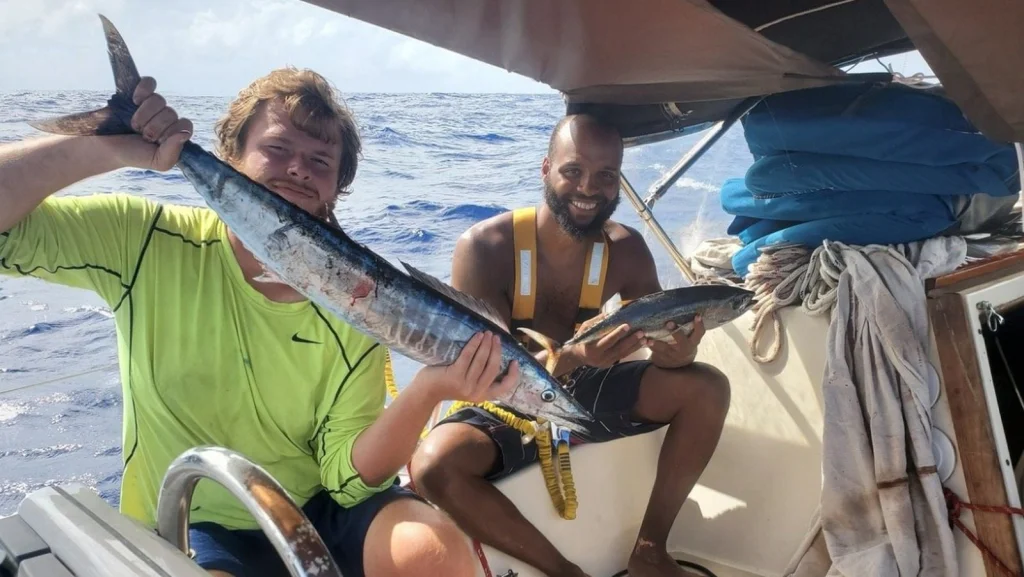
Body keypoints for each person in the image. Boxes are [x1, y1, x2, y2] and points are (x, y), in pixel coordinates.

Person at [0, 69, 520, 577]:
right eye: (276, 148)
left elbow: (347, 481)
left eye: (320, 160)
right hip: (194, 516)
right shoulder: (145, 240)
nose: (298, 169)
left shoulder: (365, 302)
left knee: (435, 552)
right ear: (232, 154)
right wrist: (112, 148)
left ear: (337, 186)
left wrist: (429, 389)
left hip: (315, 509)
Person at [409, 114, 732, 577]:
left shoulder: (627, 250)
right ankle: (564, 572)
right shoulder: (484, 248)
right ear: (546, 169)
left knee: (707, 388)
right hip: (504, 404)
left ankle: (650, 552)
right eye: (573, 171)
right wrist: (577, 354)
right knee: (434, 465)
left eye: (606, 176)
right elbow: (483, 377)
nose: (588, 189)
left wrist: (678, 355)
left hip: (586, 391)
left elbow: (661, 340)